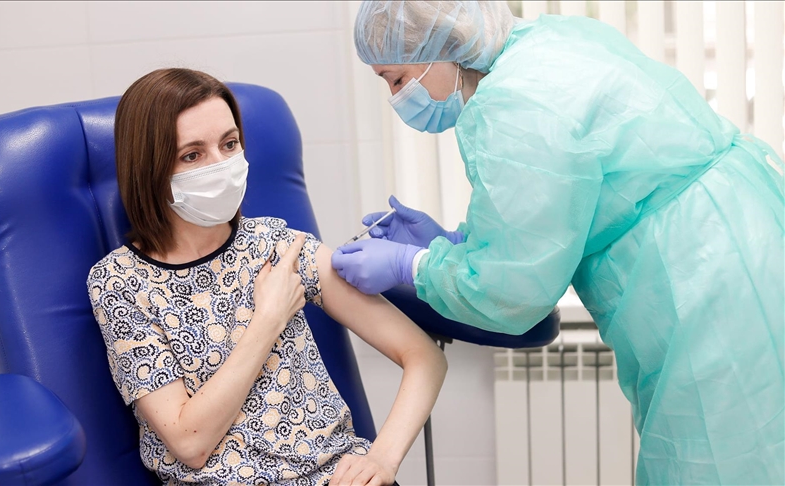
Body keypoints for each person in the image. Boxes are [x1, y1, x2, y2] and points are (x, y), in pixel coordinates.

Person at [330, 2, 784, 484]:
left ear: (443, 46)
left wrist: (411, 264)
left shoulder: (515, 107)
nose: (397, 99)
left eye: (397, 80)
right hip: (741, 235)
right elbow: (545, 219)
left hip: (702, 278)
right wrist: (454, 243)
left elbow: (511, 291)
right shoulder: (548, 45)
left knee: (721, 459)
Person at [86, 67, 447, 486]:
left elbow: (424, 356)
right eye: (192, 155)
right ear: (148, 168)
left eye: (229, 144)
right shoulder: (120, 282)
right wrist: (269, 318)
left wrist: (383, 458)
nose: (221, 166)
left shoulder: (279, 247)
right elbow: (190, 443)